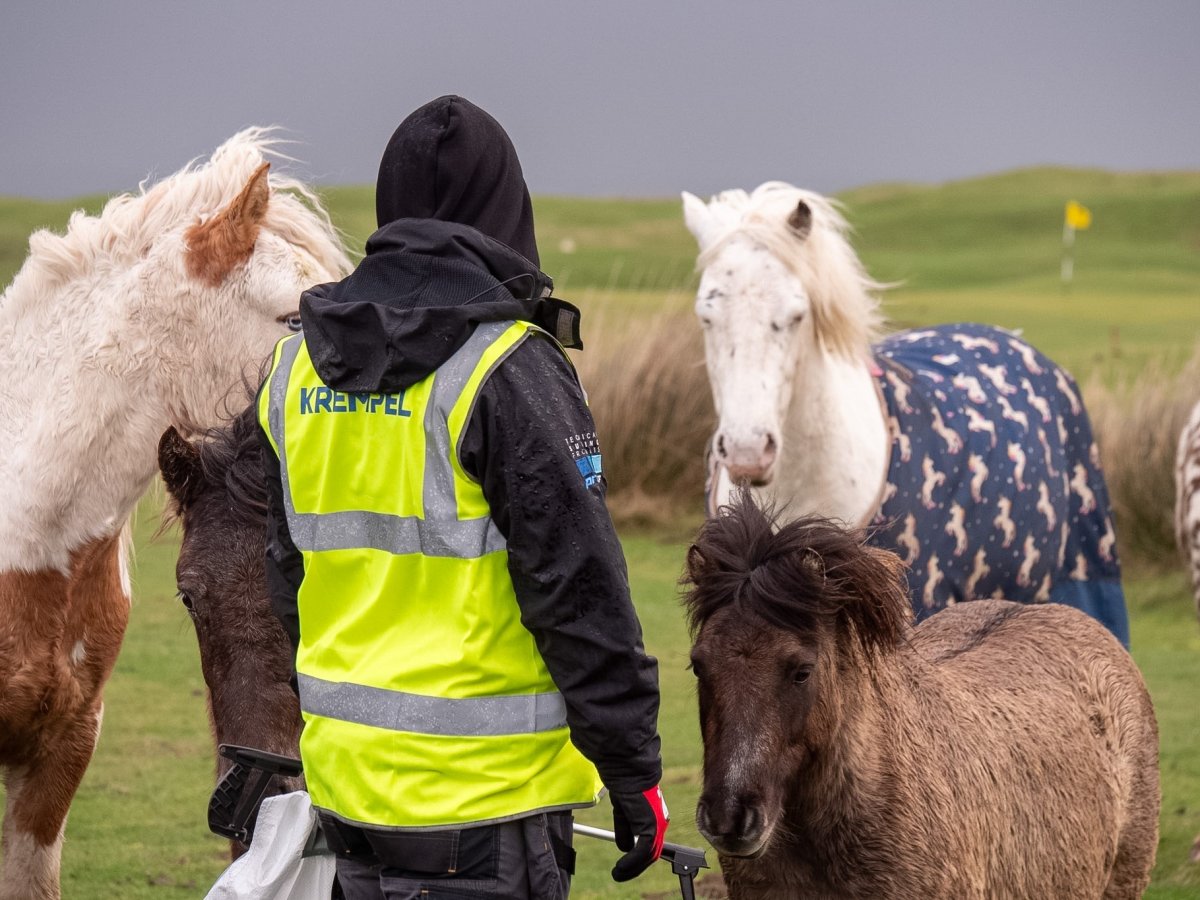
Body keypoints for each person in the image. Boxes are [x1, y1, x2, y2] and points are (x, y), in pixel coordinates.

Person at [256, 95, 666, 900]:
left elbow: (288, 583)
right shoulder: (508, 365)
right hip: (486, 811)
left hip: (348, 797)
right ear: (505, 208)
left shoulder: (293, 367)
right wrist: (633, 769)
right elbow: (578, 591)